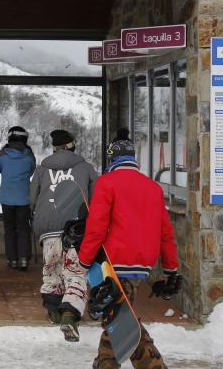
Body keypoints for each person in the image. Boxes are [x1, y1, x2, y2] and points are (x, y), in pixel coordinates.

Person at [77, 128, 183, 369]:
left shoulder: (107, 183)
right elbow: (166, 233)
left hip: (113, 263)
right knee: (117, 318)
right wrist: (171, 268)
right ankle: (104, 363)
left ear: (112, 158)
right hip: (141, 264)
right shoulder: (153, 187)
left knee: (123, 323)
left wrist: (83, 261)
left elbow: (96, 228)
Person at [30, 129, 98, 342]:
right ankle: (69, 313)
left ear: (54, 148)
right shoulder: (86, 168)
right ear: (72, 146)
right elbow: (96, 199)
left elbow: (31, 199)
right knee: (75, 273)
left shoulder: (42, 170)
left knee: (51, 269)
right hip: (75, 231)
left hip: (48, 230)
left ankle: (53, 312)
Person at [0, 126, 36, 270]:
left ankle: (12, 260)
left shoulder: (3, 154)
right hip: (24, 199)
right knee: (23, 228)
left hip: (7, 199)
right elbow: (32, 171)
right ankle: (23, 260)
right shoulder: (29, 155)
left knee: (9, 229)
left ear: (10, 138)